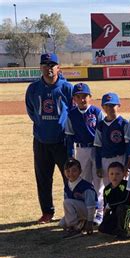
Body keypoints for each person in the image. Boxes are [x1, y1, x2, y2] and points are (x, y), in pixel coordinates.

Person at [25, 53, 74, 224]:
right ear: (40, 67)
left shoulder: (67, 88)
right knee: (43, 178)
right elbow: (31, 111)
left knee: (70, 177)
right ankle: (47, 212)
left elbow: (74, 113)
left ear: (58, 68)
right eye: (45, 65)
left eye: (52, 64)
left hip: (62, 141)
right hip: (41, 140)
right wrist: (41, 124)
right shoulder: (33, 88)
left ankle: (71, 210)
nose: (49, 68)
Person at [65, 83, 105, 225]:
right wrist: (71, 155)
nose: (82, 99)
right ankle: (86, 212)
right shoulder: (72, 114)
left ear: (90, 97)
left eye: (85, 96)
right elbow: (69, 136)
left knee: (98, 182)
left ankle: (100, 212)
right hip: (81, 149)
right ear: (74, 99)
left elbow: (103, 133)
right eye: (78, 97)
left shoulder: (96, 111)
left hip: (96, 148)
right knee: (84, 181)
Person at [94, 93, 129, 187]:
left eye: (113, 105)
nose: (109, 108)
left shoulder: (124, 123)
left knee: (122, 185)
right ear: (102, 107)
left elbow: (128, 146)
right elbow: (98, 146)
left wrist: (126, 164)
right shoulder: (101, 125)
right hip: (105, 159)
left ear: (119, 106)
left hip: (120, 157)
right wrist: (98, 166)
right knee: (108, 186)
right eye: (107, 105)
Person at [59, 158, 97, 239]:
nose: (71, 173)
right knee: (62, 224)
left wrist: (90, 221)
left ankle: (74, 229)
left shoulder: (86, 186)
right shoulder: (67, 185)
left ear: (80, 171)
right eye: (68, 171)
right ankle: (81, 224)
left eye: (74, 170)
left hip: (87, 211)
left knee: (67, 202)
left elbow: (91, 206)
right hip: (78, 211)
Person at [98, 162, 130, 240]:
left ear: (123, 174)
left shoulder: (126, 185)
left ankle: (124, 232)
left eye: (117, 174)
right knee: (102, 228)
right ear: (108, 175)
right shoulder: (107, 189)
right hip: (115, 211)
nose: (114, 176)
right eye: (112, 174)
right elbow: (106, 205)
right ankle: (117, 230)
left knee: (121, 208)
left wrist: (111, 206)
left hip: (128, 210)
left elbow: (125, 200)